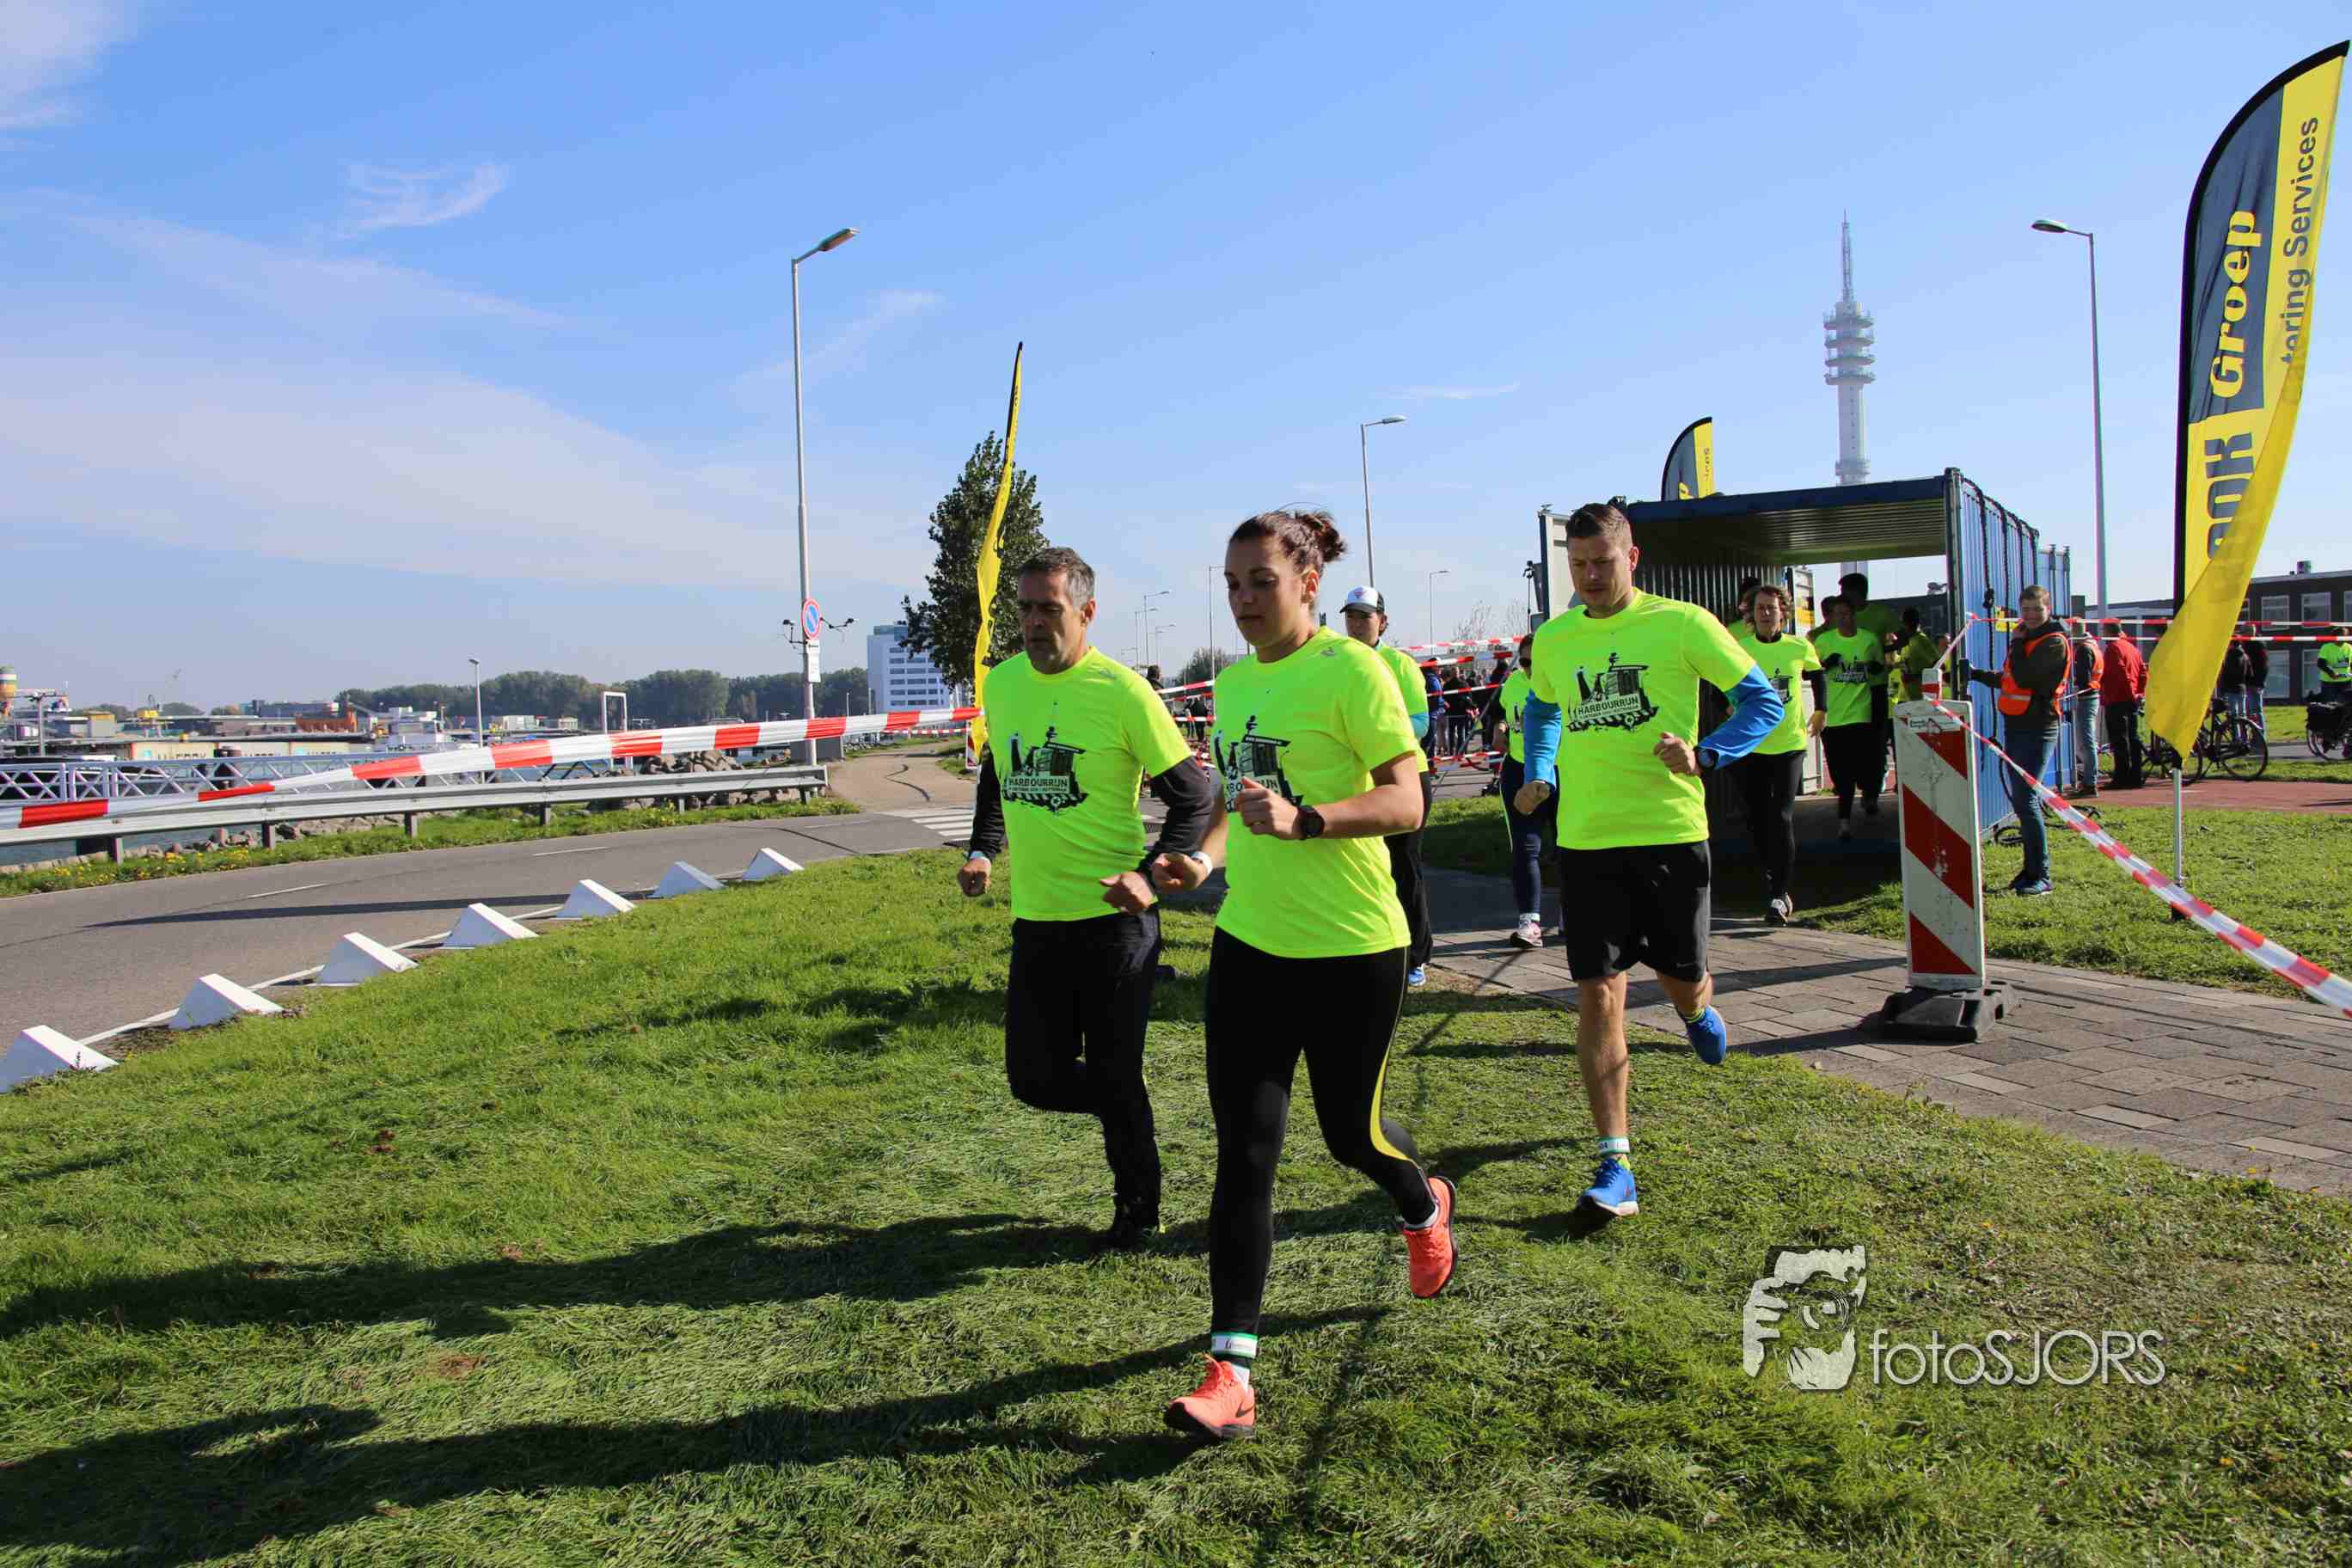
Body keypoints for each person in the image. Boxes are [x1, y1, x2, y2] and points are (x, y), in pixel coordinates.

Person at [1150, 508, 1456, 1442]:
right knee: (1245, 1154)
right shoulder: (1236, 681)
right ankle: (1231, 1373)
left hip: (1354, 948)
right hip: (1251, 945)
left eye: (1262, 582)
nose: (1243, 600)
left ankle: (1421, 1202)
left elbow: (1408, 800)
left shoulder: (1353, 671)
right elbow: (1235, 802)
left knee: (1351, 1136)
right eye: (1232, 584)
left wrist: (1309, 819)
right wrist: (1201, 856)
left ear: (1308, 584)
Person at [1513, 502, 1784, 1226]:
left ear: (1632, 558)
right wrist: (1541, 769)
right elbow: (1543, 710)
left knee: (1679, 977)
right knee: (1599, 993)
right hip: (1587, 842)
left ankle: (1695, 1010)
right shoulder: (1556, 637)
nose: (1590, 577)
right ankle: (1616, 1163)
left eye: (1603, 563)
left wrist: (1706, 754)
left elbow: (1762, 703)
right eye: (1578, 565)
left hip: (1669, 836)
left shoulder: (1684, 624)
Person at [960, 547, 1216, 1251]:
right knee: (1033, 1079)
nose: (1034, 623)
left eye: (1050, 609)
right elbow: (997, 777)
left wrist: (1150, 874)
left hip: (1116, 925)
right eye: (1024, 609)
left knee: (1113, 1071)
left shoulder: (1124, 693)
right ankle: (1122, 1104)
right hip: (1038, 921)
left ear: (1087, 611)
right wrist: (982, 850)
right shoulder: (1004, 684)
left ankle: (1138, 1210)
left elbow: (1194, 796)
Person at [1339, 585, 1436, 988]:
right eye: (1351, 616)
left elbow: (1421, 722)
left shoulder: (1400, 664)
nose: (1356, 623)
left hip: (1405, 777)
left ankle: (1416, 955)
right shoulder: (1337, 663)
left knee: (1404, 867)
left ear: (1383, 621)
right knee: (1360, 868)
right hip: (1354, 780)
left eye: (1364, 616)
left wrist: (1370, 735)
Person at [1964, 584, 2069, 897]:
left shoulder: (2052, 642)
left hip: (2039, 727)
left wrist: (2017, 641)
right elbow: (2010, 680)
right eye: (2026, 610)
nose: (2031, 615)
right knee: (2022, 801)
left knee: (2027, 800)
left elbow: (2025, 678)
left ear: (2049, 609)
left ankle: (2041, 875)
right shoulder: (2026, 640)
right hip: (2016, 724)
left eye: (2037, 609)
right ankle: (2030, 870)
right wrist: (1976, 674)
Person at [1733, 585, 1825, 924]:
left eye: (1771, 608)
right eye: (1760, 608)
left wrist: (1822, 710)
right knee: (1756, 817)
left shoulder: (1799, 647)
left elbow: (1818, 676)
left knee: (1782, 816)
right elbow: (1721, 683)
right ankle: (1772, 874)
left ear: (1783, 613)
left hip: (1789, 744)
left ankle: (1779, 895)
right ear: (1751, 614)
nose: (1766, 614)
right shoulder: (1741, 649)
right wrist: (1729, 704)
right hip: (1751, 744)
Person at [1492, 634, 1555, 948]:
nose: (1531, 669)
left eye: (1537, 661)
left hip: (1559, 771)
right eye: (1526, 662)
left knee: (1570, 846)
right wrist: (1500, 727)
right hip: (1518, 770)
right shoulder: (1514, 683)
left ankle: (1575, 915)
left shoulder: (1560, 680)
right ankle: (1530, 922)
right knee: (1525, 847)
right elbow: (1501, 712)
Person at [1812, 595, 1887, 838]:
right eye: (1839, 615)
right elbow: (1808, 673)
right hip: (1833, 717)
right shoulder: (1823, 641)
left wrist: (1875, 668)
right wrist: (1825, 664)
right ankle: (1846, 818)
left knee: (1862, 767)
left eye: (1847, 613)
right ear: (1832, 618)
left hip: (1861, 714)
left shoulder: (1869, 640)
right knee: (1840, 774)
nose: (1844, 618)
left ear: (1854, 615)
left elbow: (1880, 671)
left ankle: (1850, 816)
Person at [1813, 572, 1900, 762]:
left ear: (1858, 592)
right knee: (1843, 741)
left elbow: (1904, 637)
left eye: (1844, 591)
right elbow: (1820, 650)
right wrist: (1826, 663)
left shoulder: (1881, 614)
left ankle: (1877, 770)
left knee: (1874, 737)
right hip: (1842, 689)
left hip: (1874, 686)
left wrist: (1883, 651)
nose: (1841, 595)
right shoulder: (1837, 617)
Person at [2100, 620, 2147, 787]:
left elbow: (2120, 674)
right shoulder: (2132, 648)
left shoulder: (2113, 649)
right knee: (2133, 738)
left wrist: (2130, 694)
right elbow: (2143, 672)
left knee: (2119, 739)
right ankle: (2136, 776)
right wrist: (2139, 693)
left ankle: (2122, 777)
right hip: (2131, 699)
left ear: (2108, 632)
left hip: (2117, 699)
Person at [2067, 618, 2104, 799]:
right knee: (2088, 741)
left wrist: (2070, 683)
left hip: (2086, 698)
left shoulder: (2083, 650)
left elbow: (2083, 678)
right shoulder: (2093, 646)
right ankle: (2090, 780)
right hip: (2092, 696)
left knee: (2087, 741)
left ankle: (2090, 782)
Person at [1893, 608, 1940, 703]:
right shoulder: (1907, 642)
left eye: (1906, 622)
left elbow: (1938, 665)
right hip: (1906, 698)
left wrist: (1915, 676)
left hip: (1921, 699)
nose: (1904, 626)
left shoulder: (1921, 640)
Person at [2243, 636, 2270, 735]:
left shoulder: (2252, 648)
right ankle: (2258, 735)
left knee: (2254, 711)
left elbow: (2251, 667)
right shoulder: (2260, 647)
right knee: (2254, 711)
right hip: (2256, 683)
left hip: (2252, 684)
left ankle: (2259, 735)